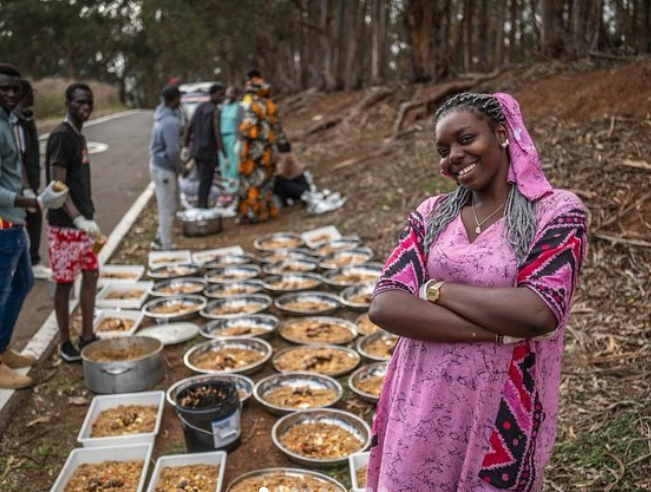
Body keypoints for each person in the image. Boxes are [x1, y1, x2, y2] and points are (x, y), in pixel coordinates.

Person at [367, 92, 588, 491]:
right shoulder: (432, 214)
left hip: (502, 406)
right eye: (442, 149)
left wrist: (433, 289)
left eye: (465, 139)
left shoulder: (555, 213)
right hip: (420, 396)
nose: (453, 155)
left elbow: (538, 311)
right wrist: (494, 330)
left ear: (502, 133)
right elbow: (385, 304)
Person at [0, 63, 68, 388]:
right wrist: (32, 202)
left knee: (24, 282)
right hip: (3, 222)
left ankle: (2, 348)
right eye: (4, 89)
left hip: (15, 220)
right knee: (1, 292)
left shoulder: (11, 120)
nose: (11, 94)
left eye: (16, 88)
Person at [45, 82, 102, 363]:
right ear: (68, 103)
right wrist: (77, 217)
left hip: (83, 224)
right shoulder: (61, 136)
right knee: (64, 284)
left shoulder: (79, 134)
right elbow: (57, 185)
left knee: (91, 274)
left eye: (89, 102)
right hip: (64, 226)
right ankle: (65, 343)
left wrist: (87, 216)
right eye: (80, 102)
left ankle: (87, 336)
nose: (86, 107)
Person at [237, 74, 287, 224]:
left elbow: (246, 128)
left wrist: (242, 134)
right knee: (266, 181)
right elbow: (279, 131)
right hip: (269, 151)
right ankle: (264, 210)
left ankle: (253, 213)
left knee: (252, 183)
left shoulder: (254, 106)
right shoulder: (271, 106)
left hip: (254, 152)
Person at [14, 79, 50, 279]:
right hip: (19, 186)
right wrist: (26, 188)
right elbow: (18, 157)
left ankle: (30, 261)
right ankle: (30, 262)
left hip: (29, 183)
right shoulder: (16, 122)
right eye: (32, 92)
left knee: (31, 219)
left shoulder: (25, 119)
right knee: (26, 219)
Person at [149, 85, 183, 250]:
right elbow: (173, 150)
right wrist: (180, 168)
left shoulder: (162, 115)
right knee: (167, 208)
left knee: (169, 205)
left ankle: (159, 238)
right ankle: (166, 245)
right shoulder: (170, 121)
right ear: (175, 100)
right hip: (165, 168)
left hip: (159, 165)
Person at [219, 85, 244, 197]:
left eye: (232, 93)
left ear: (236, 95)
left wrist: (239, 140)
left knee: (234, 164)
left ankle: (234, 188)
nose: (229, 95)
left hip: (233, 137)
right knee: (224, 163)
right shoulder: (223, 107)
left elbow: (241, 124)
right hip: (222, 137)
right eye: (228, 93)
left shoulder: (239, 107)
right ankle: (226, 186)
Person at [273, 141, 310, 206]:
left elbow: (282, 173)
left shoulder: (287, 157)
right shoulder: (291, 155)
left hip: (301, 189)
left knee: (278, 182)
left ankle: (284, 203)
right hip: (302, 186)